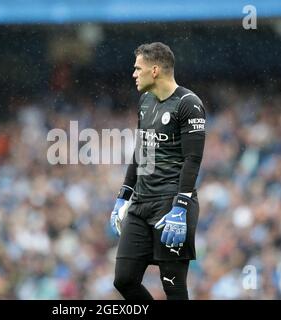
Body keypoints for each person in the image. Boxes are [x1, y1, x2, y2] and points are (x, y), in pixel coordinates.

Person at [110, 42, 206, 300]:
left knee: (172, 287)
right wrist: (124, 195)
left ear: (154, 70)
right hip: (141, 205)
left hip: (170, 207)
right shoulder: (145, 101)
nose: (133, 74)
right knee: (124, 279)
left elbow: (192, 159)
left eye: (137, 68)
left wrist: (181, 207)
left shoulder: (189, 104)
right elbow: (141, 152)